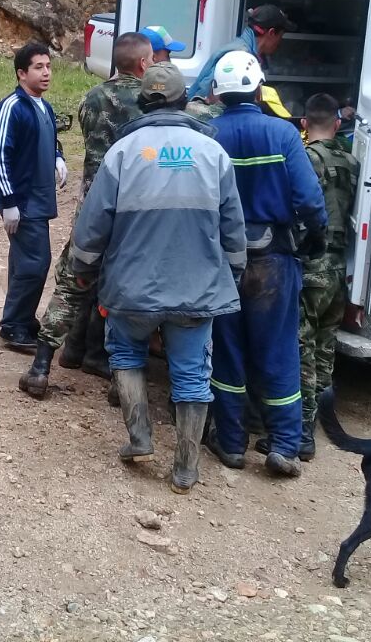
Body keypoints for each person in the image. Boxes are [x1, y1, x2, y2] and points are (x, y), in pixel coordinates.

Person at [70, 63, 246, 494]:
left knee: (126, 355)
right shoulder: (213, 154)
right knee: (192, 375)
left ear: (143, 102)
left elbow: (92, 226)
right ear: (184, 100)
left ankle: (140, 440)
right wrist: (233, 271)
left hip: (130, 289)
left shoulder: (122, 153)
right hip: (195, 290)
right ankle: (185, 468)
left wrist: (83, 270)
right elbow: (233, 228)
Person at [204, 53, 326, 478]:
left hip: (221, 259)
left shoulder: (207, 134)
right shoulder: (283, 133)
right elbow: (309, 200)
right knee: (278, 351)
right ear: (259, 90)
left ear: (217, 92)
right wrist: (315, 239)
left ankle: (231, 443)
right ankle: (285, 446)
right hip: (274, 259)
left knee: (227, 350)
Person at [19, 31, 153, 398]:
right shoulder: (150, 102)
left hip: (92, 205)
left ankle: (42, 366)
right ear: (144, 63)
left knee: (73, 282)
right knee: (127, 286)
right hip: (133, 210)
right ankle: (119, 377)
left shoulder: (90, 98)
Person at [0, 42, 67, 352]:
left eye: (48, 66)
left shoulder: (44, 106)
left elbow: (50, 138)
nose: (46, 73)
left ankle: (22, 320)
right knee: (35, 262)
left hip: (39, 200)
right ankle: (14, 326)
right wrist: (8, 201)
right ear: (22, 73)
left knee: (26, 262)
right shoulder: (12, 108)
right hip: (23, 201)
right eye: (38, 67)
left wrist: (58, 157)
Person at [296, 93, 357, 460]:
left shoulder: (306, 159)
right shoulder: (352, 161)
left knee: (301, 346)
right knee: (325, 347)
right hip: (339, 268)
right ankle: (321, 416)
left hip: (313, 265)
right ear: (337, 123)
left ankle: (303, 432)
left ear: (304, 124)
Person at [187, 4, 295, 99]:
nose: (280, 42)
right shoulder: (239, 57)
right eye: (281, 36)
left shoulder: (243, 49)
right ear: (271, 33)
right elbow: (204, 94)